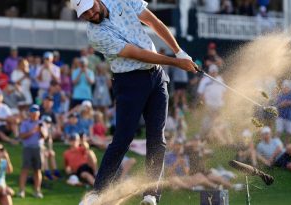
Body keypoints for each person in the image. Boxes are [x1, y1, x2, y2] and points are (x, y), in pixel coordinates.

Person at [71, 0, 197, 204]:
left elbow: (153, 22)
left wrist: (178, 51)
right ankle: (97, 193)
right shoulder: (95, 34)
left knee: (157, 137)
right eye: (85, 14)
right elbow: (137, 54)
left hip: (156, 77)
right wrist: (176, 63)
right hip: (129, 81)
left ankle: (151, 194)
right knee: (123, 138)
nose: (91, 14)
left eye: (91, 8)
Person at [18, 104, 48, 199]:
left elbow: (45, 136)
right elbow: (22, 136)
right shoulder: (25, 123)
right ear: (30, 113)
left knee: (37, 170)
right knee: (25, 169)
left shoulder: (42, 123)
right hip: (28, 148)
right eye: (33, 111)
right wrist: (32, 131)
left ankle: (37, 191)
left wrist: (40, 130)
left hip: (38, 148)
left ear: (39, 113)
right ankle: (21, 191)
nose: (34, 113)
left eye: (36, 111)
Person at [275, 80, 291, 144]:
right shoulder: (279, 95)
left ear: (289, 88)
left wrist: (289, 103)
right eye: (284, 87)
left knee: (289, 133)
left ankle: (286, 146)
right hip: (280, 116)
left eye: (287, 87)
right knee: (279, 132)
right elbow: (277, 105)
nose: (285, 88)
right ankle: (276, 145)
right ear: (282, 88)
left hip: (289, 117)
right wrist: (282, 104)